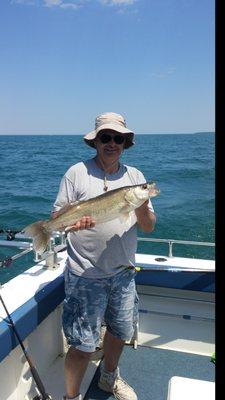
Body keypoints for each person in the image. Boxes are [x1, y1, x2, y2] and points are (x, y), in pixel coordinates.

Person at [52, 112, 156, 400]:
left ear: (125, 142)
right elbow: (58, 217)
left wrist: (140, 204)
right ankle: (71, 397)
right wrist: (67, 224)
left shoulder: (136, 178)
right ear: (95, 141)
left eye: (118, 138)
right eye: (106, 137)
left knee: (120, 332)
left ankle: (108, 378)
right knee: (83, 346)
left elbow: (147, 226)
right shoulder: (76, 173)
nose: (112, 143)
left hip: (124, 273)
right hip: (86, 275)